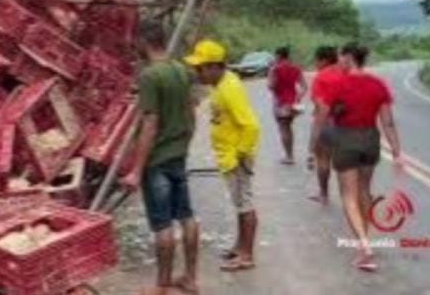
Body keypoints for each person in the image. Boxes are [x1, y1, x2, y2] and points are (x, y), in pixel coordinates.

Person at [121, 21, 200, 295]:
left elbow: (150, 124)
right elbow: (192, 114)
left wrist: (135, 169)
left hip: (157, 162)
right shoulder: (182, 70)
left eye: (136, 42)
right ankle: (190, 278)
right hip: (178, 156)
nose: (134, 47)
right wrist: (184, 144)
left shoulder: (150, 76)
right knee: (186, 216)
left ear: (145, 41)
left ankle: (161, 287)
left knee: (162, 224)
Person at [311, 42, 404, 272]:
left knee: (348, 196)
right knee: (364, 191)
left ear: (349, 57)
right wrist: (396, 152)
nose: (338, 61)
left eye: (341, 57)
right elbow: (388, 122)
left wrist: (313, 145)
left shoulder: (338, 83)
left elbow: (321, 116)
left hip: (346, 140)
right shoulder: (378, 84)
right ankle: (366, 238)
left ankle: (364, 248)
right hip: (371, 140)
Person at [184, 39, 261, 272]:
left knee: (245, 205)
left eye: (201, 68)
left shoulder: (230, 88)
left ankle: (246, 256)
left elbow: (251, 126)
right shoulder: (219, 86)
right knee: (239, 204)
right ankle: (240, 247)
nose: (198, 73)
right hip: (229, 156)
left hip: (236, 156)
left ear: (216, 66)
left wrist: (241, 155)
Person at [306, 45, 344, 204]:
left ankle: (324, 194)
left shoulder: (321, 77)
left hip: (327, 123)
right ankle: (350, 196)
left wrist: (311, 144)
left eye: (317, 60)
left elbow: (321, 109)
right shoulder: (347, 72)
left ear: (324, 60)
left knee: (323, 160)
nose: (315, 63)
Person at [267, 46, 306, 165]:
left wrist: (270, 73)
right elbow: (304, 86)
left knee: (283, 128)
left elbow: (271, 86)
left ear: (278, 56)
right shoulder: (296, 68)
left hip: (280, 102)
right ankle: (290, 154)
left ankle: (289, 156)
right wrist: (299, 96)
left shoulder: (275, 69)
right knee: (288, 127)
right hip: (293, 101)